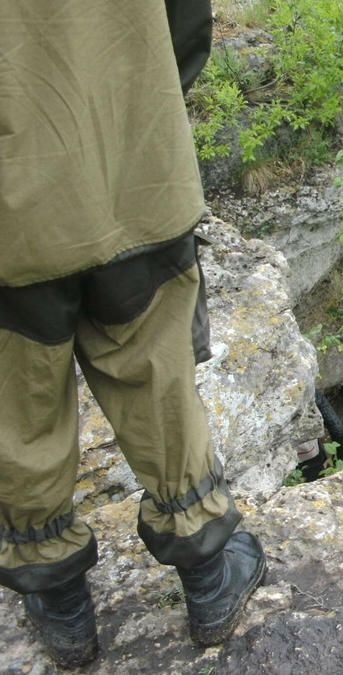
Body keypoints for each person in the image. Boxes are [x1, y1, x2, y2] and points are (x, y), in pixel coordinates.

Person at [0, 2, 265, 668]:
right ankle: (208, 582)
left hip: (11, 206)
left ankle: (61, 603)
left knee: (17, 403)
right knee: (156, 371)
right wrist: (142, 101)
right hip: (133, 155)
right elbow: (186, 24)